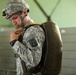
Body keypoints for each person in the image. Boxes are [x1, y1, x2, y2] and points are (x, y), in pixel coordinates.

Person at [2, 0, 45, 75]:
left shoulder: (33, 31)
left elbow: (34, 61)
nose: (13, 22)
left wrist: (14, 43)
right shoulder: (25, 31)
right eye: (11, 19)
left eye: (15, 18)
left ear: (25, 12)